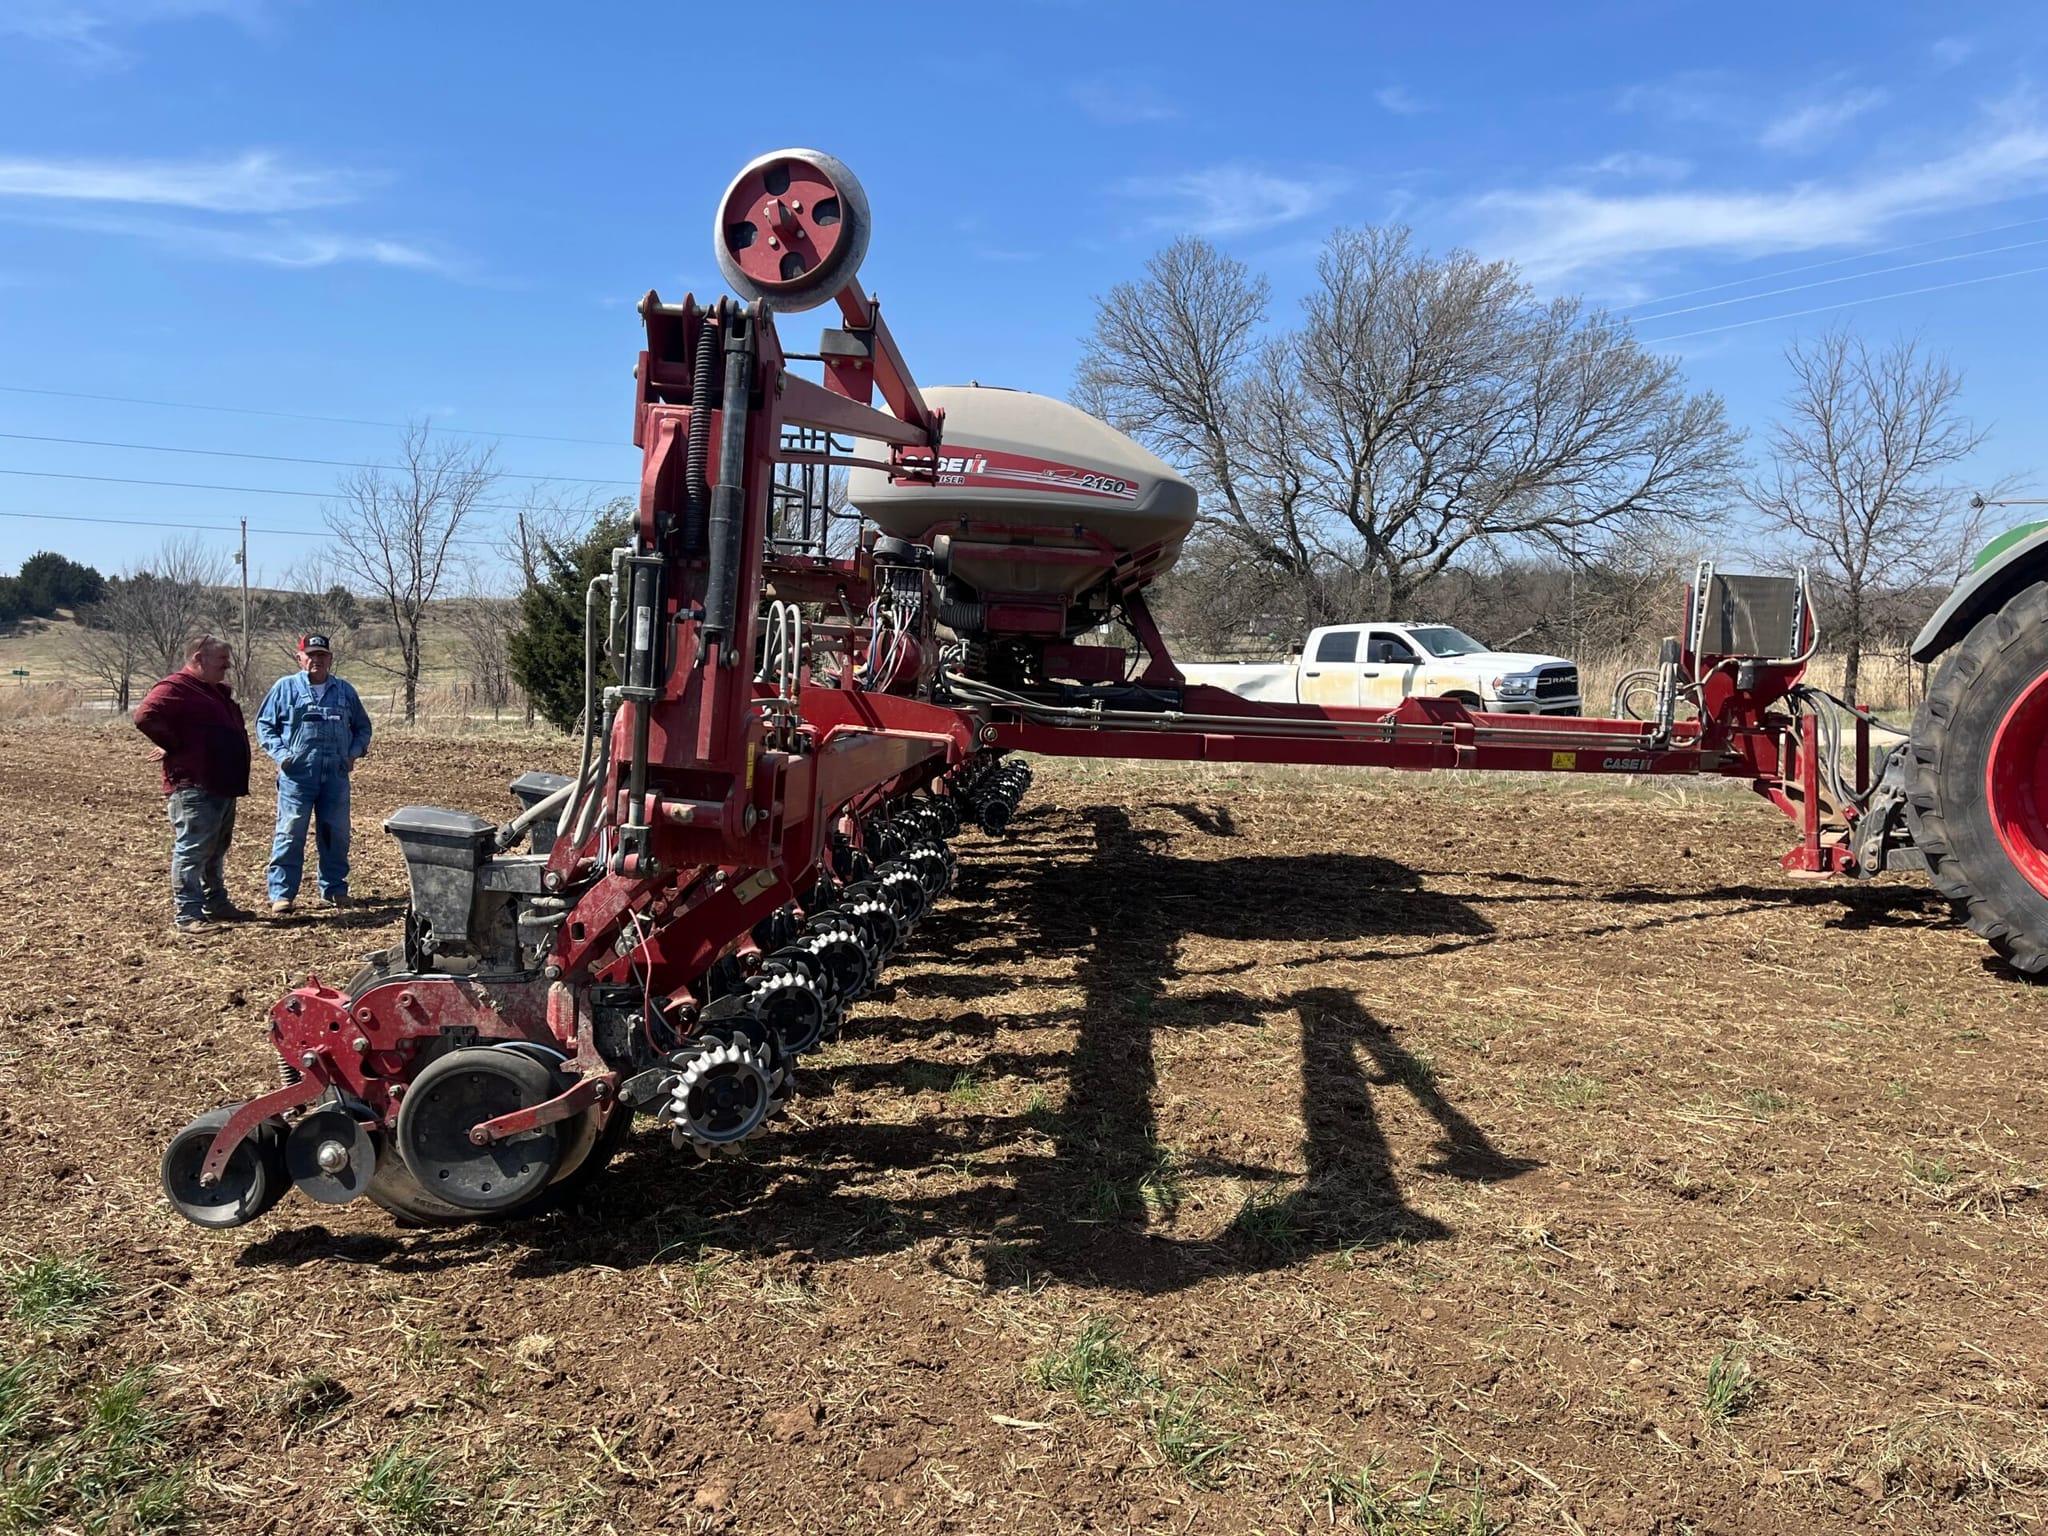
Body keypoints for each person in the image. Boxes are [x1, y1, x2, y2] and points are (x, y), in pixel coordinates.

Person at [133, 635, 253, 934]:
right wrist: (173, 745)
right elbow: (146, 715)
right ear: (198, 659)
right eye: (221, 660)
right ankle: (188, 913)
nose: (228, 665)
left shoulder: (212, 691)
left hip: (221, 783)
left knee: (216, 849)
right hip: (195, 785)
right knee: (194, 848)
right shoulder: (175, 688)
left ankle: (217, 904)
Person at [257, 634, 372, 915]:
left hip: (335, 775)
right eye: (311, 655)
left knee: (336, 833)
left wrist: (353, 753)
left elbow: (363, 728)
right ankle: (282, 894)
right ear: (300, 659)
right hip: (298, 777)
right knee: (290, 832)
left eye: (322, 655)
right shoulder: (285, 688)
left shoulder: (344, 691)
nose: (316, 660)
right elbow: (264, 726)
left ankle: (334, 889)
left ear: (330, 659)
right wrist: (284, 757)